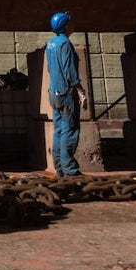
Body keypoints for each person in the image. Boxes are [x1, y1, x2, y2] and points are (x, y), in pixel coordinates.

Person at [46, 11, 87, 178]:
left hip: (53, 92)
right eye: (70, 21)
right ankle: (70, 169)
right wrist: (80, 89)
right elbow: (69, 71)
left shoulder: (51, 43)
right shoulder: (65, 44)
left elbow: (50, 68)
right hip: (65, 93)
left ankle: (60, 168)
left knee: (59, 130)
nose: (73, 23)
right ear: (66, 26)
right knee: (69, 130)